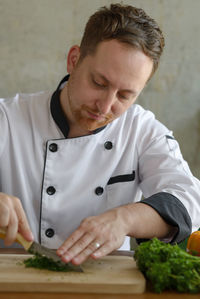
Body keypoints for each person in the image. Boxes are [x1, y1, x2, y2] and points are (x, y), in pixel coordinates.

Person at [0, 3, 199, 266]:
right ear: (74, 60)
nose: (105, 107)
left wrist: (124, 219)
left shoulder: (142, 131)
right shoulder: (8, 118)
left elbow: (188, 198)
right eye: (99, 83)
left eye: (125, 95)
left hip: (106, 281)